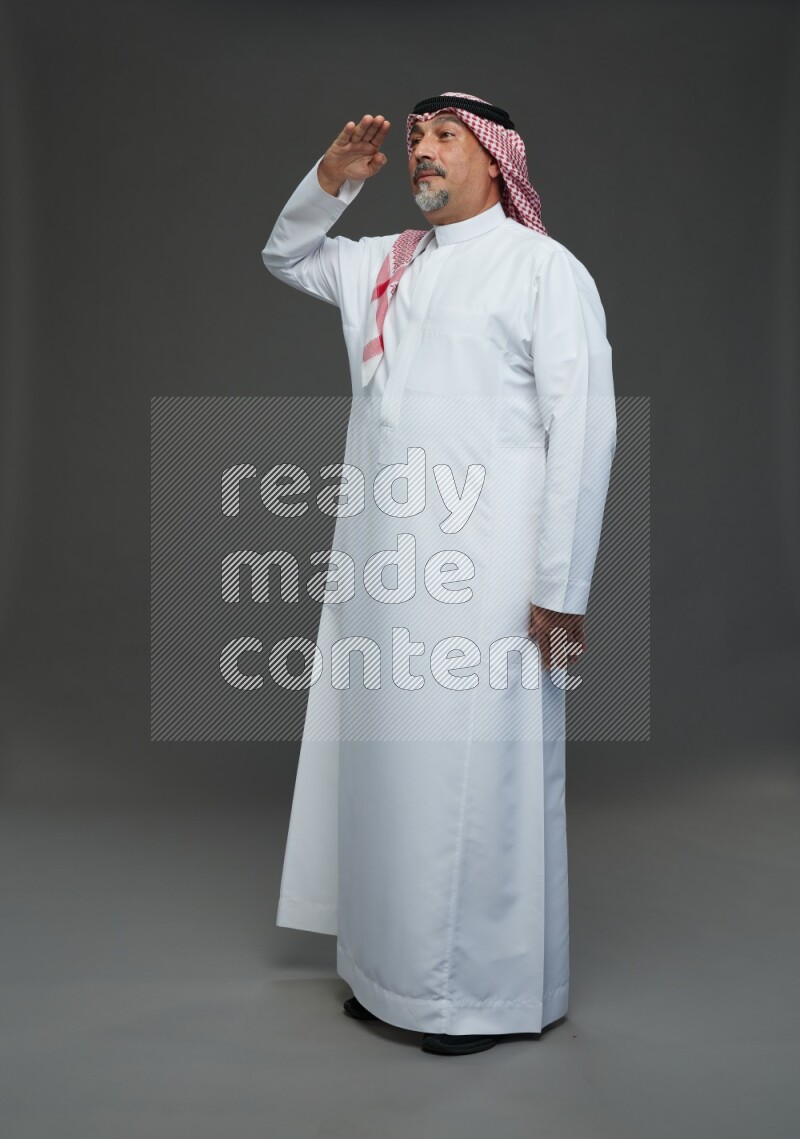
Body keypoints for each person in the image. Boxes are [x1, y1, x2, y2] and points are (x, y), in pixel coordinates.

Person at [261, 92, 617, 1056]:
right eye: (415, 137)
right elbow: (286, 255)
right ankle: (391, 979)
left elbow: (585, 429)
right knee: (388, 772)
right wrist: (333, 179)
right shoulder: (385, 262)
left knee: (474, 776)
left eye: (443, 138)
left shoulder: (543, 270)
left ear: (496, 162)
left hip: (491, 578)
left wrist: (561, 584)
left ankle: (475, 997)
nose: (421, 151)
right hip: (382, 572)